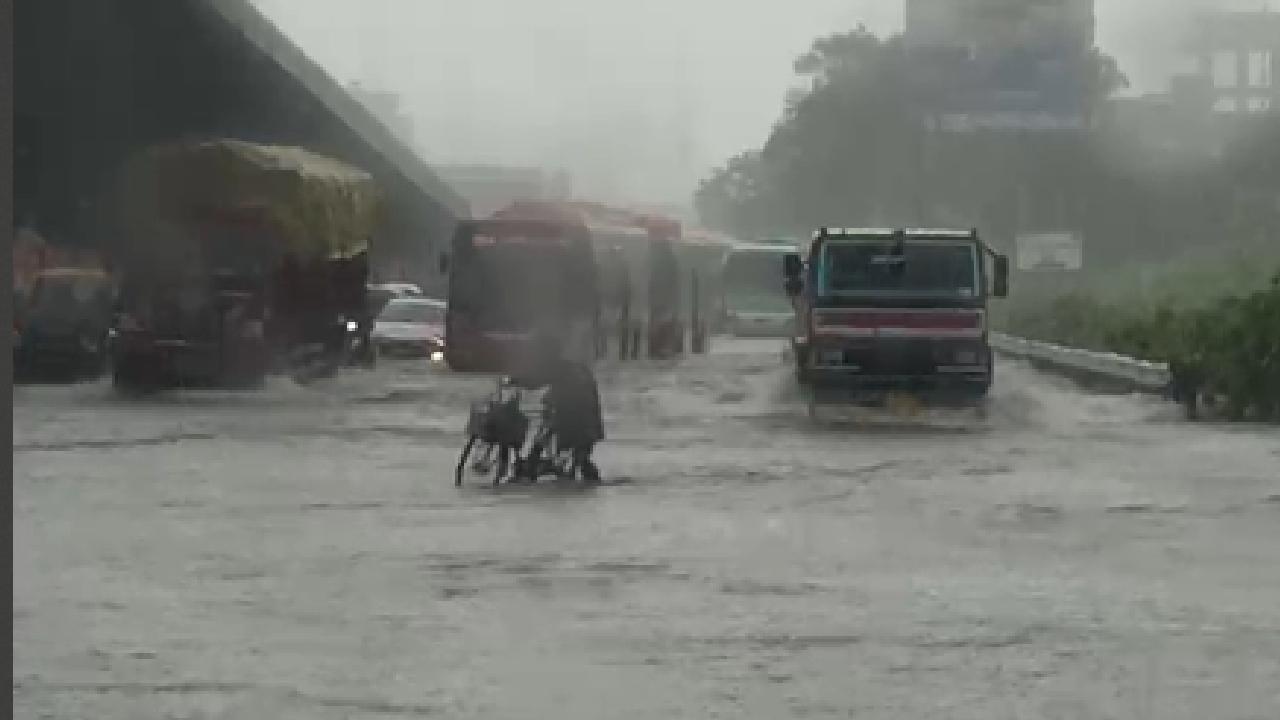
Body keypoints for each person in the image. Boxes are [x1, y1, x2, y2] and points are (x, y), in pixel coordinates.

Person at [508, 330, 604, 484]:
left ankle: (532, 470)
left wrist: (514, 381)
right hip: (589, 422)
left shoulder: (556, 367)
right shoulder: (575, 368)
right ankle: (583, 479)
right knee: (581, 457)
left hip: (569, 419)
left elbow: (535, 381)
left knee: (540, 441)